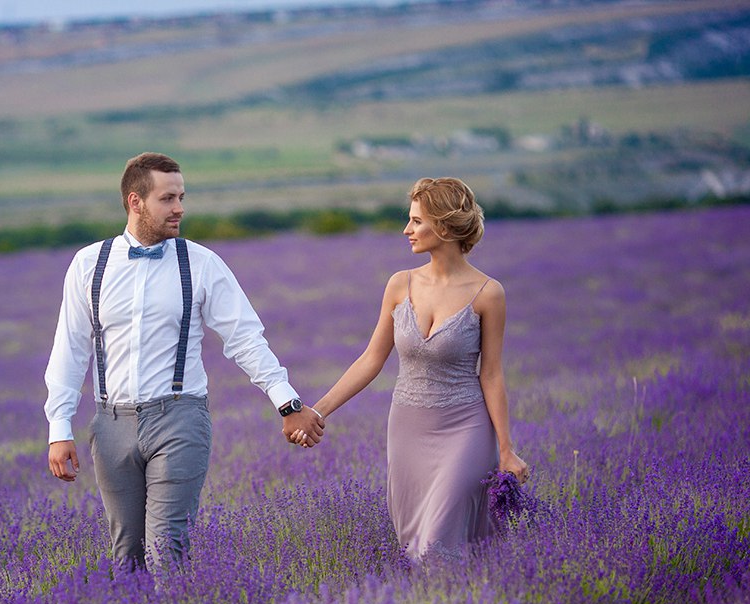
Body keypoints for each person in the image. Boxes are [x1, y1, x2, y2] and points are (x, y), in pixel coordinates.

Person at [45, 152, 324, 571]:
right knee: (127, 556)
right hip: (110, 424)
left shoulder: (202, 263)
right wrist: (59, 427)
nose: (180, 208)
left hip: (179, 419)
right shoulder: (89, 265)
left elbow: (245, 338)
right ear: (135, 202)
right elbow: (69, 348)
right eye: (168, 198)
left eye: (181, 196)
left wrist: (287, 403)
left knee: (167, 550)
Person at [297, 177, 529, 562]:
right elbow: (372, 359)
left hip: (466, 430)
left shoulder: (489, 293)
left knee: (438, 541)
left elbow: (491, 374)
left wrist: (506, 450)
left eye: (417, 221)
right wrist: (316, 411)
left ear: (445, 224)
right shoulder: (399, 284)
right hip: (407, 430)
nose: (407, 230)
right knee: (416, 545)